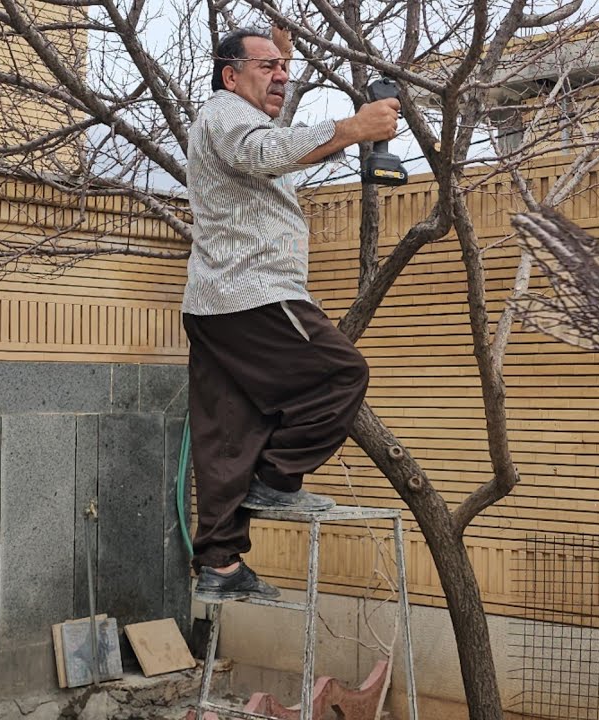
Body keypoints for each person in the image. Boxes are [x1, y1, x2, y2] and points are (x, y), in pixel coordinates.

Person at [182, 25, 400, 603]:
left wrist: (278, 49)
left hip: (214, 306)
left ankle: (221, 566)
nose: (281, 76)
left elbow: (266, 138)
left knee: (230, 434)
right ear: (230, 76)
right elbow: (264, 151)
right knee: (340, 374)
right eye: (267, 68)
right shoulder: (226, 112)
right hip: (253, 293)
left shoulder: (230, 115)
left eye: (286, 67)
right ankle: (277, 483)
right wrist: (355, 129)